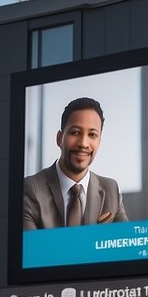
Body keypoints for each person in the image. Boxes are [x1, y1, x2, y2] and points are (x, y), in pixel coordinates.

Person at [22, 97, 129, 229]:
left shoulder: (111, 189)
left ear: (99, 142)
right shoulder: (30, 189)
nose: (83, 144)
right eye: (75, 133)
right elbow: (33, 248)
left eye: (92, 135)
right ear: (60, 138)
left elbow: (125, 244)